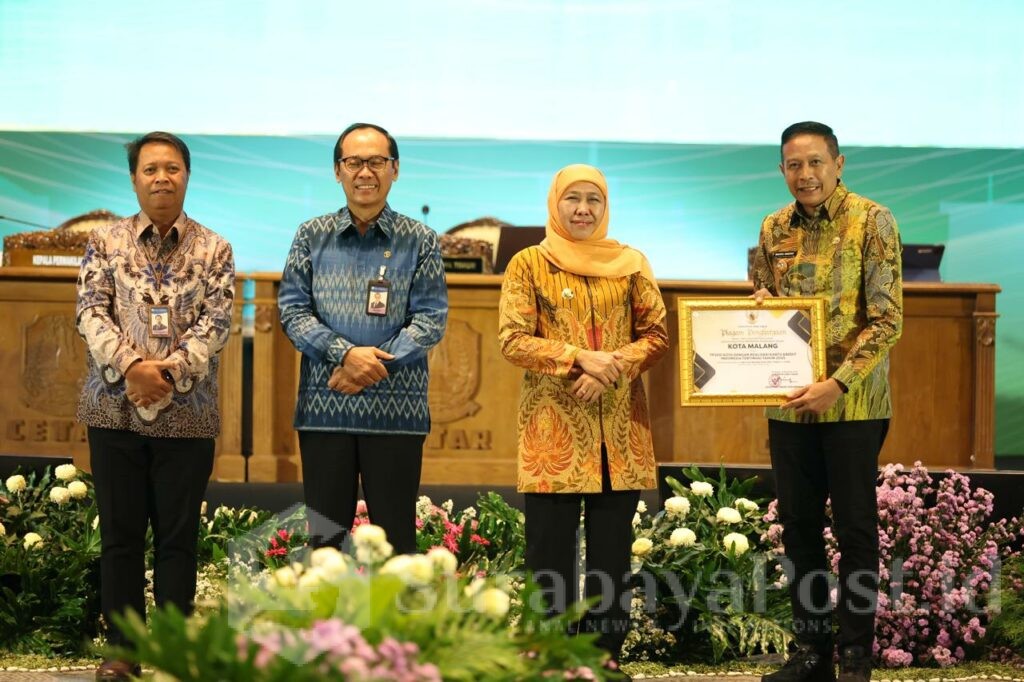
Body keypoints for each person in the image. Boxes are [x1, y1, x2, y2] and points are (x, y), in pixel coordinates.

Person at [498, 164, 668, 677]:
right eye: (572, 199)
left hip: (619, 431)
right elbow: (512, 338)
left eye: (593, 200)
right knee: (548, 553)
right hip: (554, 432)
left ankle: (602, 658)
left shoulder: (632, 263)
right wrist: (578, 357)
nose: (583, 210)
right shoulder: (529, 263)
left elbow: (657, 335)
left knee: (611, 555)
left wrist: (609, 366)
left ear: (605, 206)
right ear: (555, 204)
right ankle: (549, 659)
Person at [76, 131, 234, 681]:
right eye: (150, 169)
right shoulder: (104, 242)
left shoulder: (216, 248)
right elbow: (90, 313)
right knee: (120, 533)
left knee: (177, 536)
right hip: (114, 409)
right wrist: (133, 368)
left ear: (187, 176)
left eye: (172, 168)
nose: (161, 177)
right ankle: (121, 649)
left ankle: (170, 647)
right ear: (134, 178)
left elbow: (217, 323)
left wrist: (166, 374)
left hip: (187, 414)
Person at [752, 122, 903, 682]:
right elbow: (765, 301)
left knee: (856, 527)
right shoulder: (773, 227)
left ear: (839, 163)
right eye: (794, 165)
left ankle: (856, 657)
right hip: (789, 402)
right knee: (798, 525)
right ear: (783, 170)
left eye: (816, 162)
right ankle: (812, 653)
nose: (806, 174)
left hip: (854, 403)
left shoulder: (873, 220)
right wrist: (760, 309)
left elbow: (887, 320)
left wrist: (836, 382)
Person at [279, 122, 447, 556]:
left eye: (376, 161)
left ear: (395, 169)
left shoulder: (421, 240)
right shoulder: (310, 235)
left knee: (396, 547)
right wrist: (344, 354)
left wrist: (371, 367)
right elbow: (293, 311)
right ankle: (329, 628)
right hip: (325, 411)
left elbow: (430, 319)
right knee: (326, 545)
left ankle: (393, 628)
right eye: (354, 162)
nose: (365, 172)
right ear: (338, 171)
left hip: (396, 413)